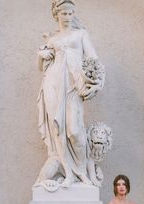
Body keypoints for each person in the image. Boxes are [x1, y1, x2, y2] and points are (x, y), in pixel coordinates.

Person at [37, 0, 104, 188]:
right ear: (56, 15)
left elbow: (93, 59)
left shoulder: (81, 34)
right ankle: (68, 174)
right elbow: (42, 67)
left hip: (74, 85)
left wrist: (98, 83)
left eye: (70, 13)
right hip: (53, 84)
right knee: (58, 129)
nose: (67, 17)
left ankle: (82, 174)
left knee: (74, 130)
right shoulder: (52, 39)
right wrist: (40, 56)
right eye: (63, 13)